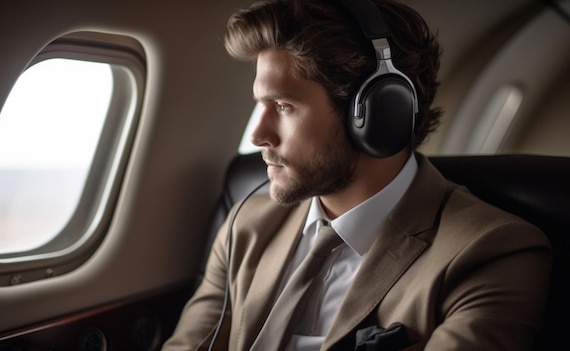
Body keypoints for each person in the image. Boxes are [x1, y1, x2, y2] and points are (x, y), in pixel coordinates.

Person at [162, 0, 552, 350]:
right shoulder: (245, 228)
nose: (257, 135)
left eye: (282, 106)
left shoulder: (489, 251)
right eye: (260, 105)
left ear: (381, 113)